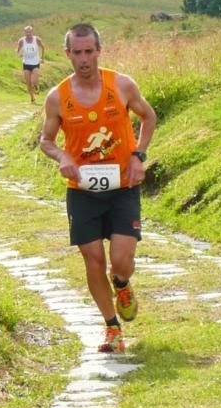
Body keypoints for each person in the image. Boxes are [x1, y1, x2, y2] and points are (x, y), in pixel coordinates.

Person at [40, 23, 156, 353]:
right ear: (67, 54)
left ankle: (121, 284)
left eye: (89, 51)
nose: (84, 59)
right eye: (77, 52)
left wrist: (138, 156)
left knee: (121, 261)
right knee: (92, 261)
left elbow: (149, 117)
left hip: (122, 186)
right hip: (82, 191)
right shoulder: (57, 97)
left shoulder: (120, 85)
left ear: (98, 51)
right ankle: (112, 329)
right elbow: (45, 141)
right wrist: (62, 156)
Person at [17, 25, 45, 103]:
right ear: (24, 32)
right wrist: (19, 54)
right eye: (26, 32)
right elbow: (18, 50)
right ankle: (32, 98)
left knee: (33, 81)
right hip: (26, 63)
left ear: (32, 32)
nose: (28, 33)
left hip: (35, 62)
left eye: (30, 32)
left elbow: (43, 47)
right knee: (28, 83)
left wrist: (42, 58)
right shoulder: (21, 40)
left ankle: (36, 85)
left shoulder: (37, 39)